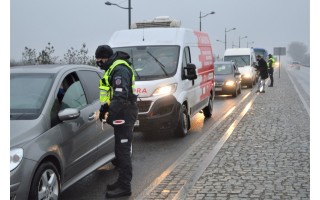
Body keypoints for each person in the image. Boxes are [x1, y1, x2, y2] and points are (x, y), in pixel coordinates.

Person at [95, 45, 138, 198]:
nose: (98, 62)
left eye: (99, 59)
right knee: (119, 151)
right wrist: (104, 109)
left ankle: (125, 186)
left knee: (123, 152)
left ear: (105, 57)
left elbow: (120, 96)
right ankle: (121, 182)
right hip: (122, 111)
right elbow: (112, 94)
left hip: (124, 113)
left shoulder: (119, 69)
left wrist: (110, 115)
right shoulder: (113, 67)